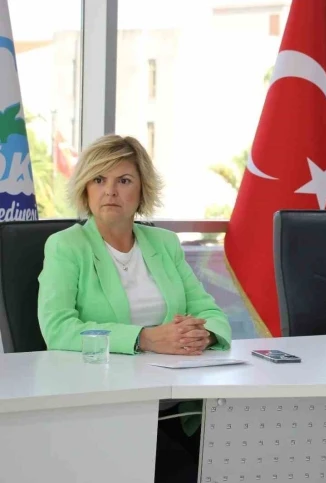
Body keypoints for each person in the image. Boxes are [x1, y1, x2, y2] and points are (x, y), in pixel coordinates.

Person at [37, 134, 231, 482]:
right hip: (109, 406)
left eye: (124, 181)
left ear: (142, 191)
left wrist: (202, 336)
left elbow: (212, 314)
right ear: (86, 188)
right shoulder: (66, 246)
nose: (110, 191)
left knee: (241, 458)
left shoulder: (164, 243)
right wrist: (146, 338)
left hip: (180, 404)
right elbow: (59, 329)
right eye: (99, 179)